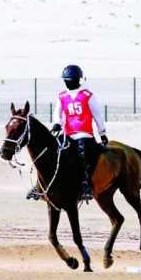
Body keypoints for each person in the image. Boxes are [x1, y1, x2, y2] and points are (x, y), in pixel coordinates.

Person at [45, 64, 108, 201]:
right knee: (52, 151)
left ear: (77, 80)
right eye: (66, 80)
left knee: (82, 155)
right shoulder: (62, 96)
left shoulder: (87, 95)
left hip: (84, 134)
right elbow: (58, 112)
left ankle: (85, 184)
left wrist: (102, 133)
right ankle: (46, 182)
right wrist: (57, 123)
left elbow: (97, 115)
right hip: (68, 133)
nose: (68, 82)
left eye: (70, 80)